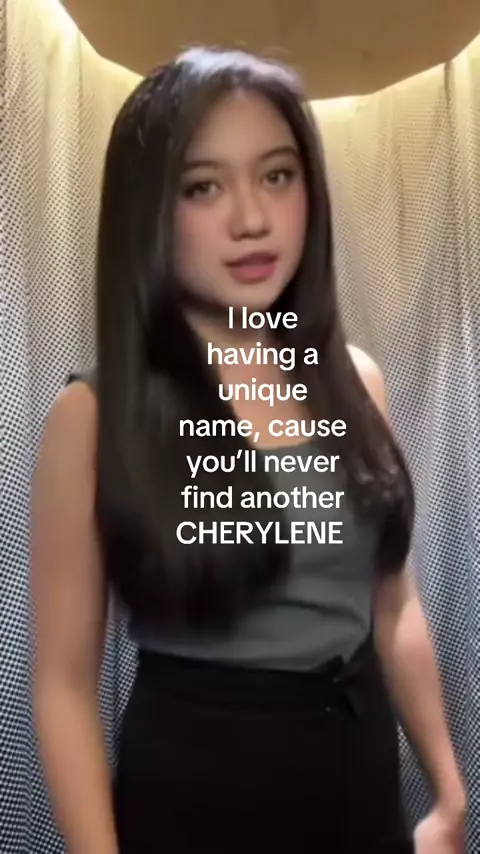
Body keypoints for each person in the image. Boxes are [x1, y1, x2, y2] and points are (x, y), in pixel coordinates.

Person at [32, 46, 466, 853]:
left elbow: (393, 602)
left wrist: (448, 791)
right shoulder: (91, 416)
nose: (252, 220)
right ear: (148, 210)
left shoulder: (357, 383)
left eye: (277, 176)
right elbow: (62, 686)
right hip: (196, 792)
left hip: (359, 782)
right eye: (203, 187)